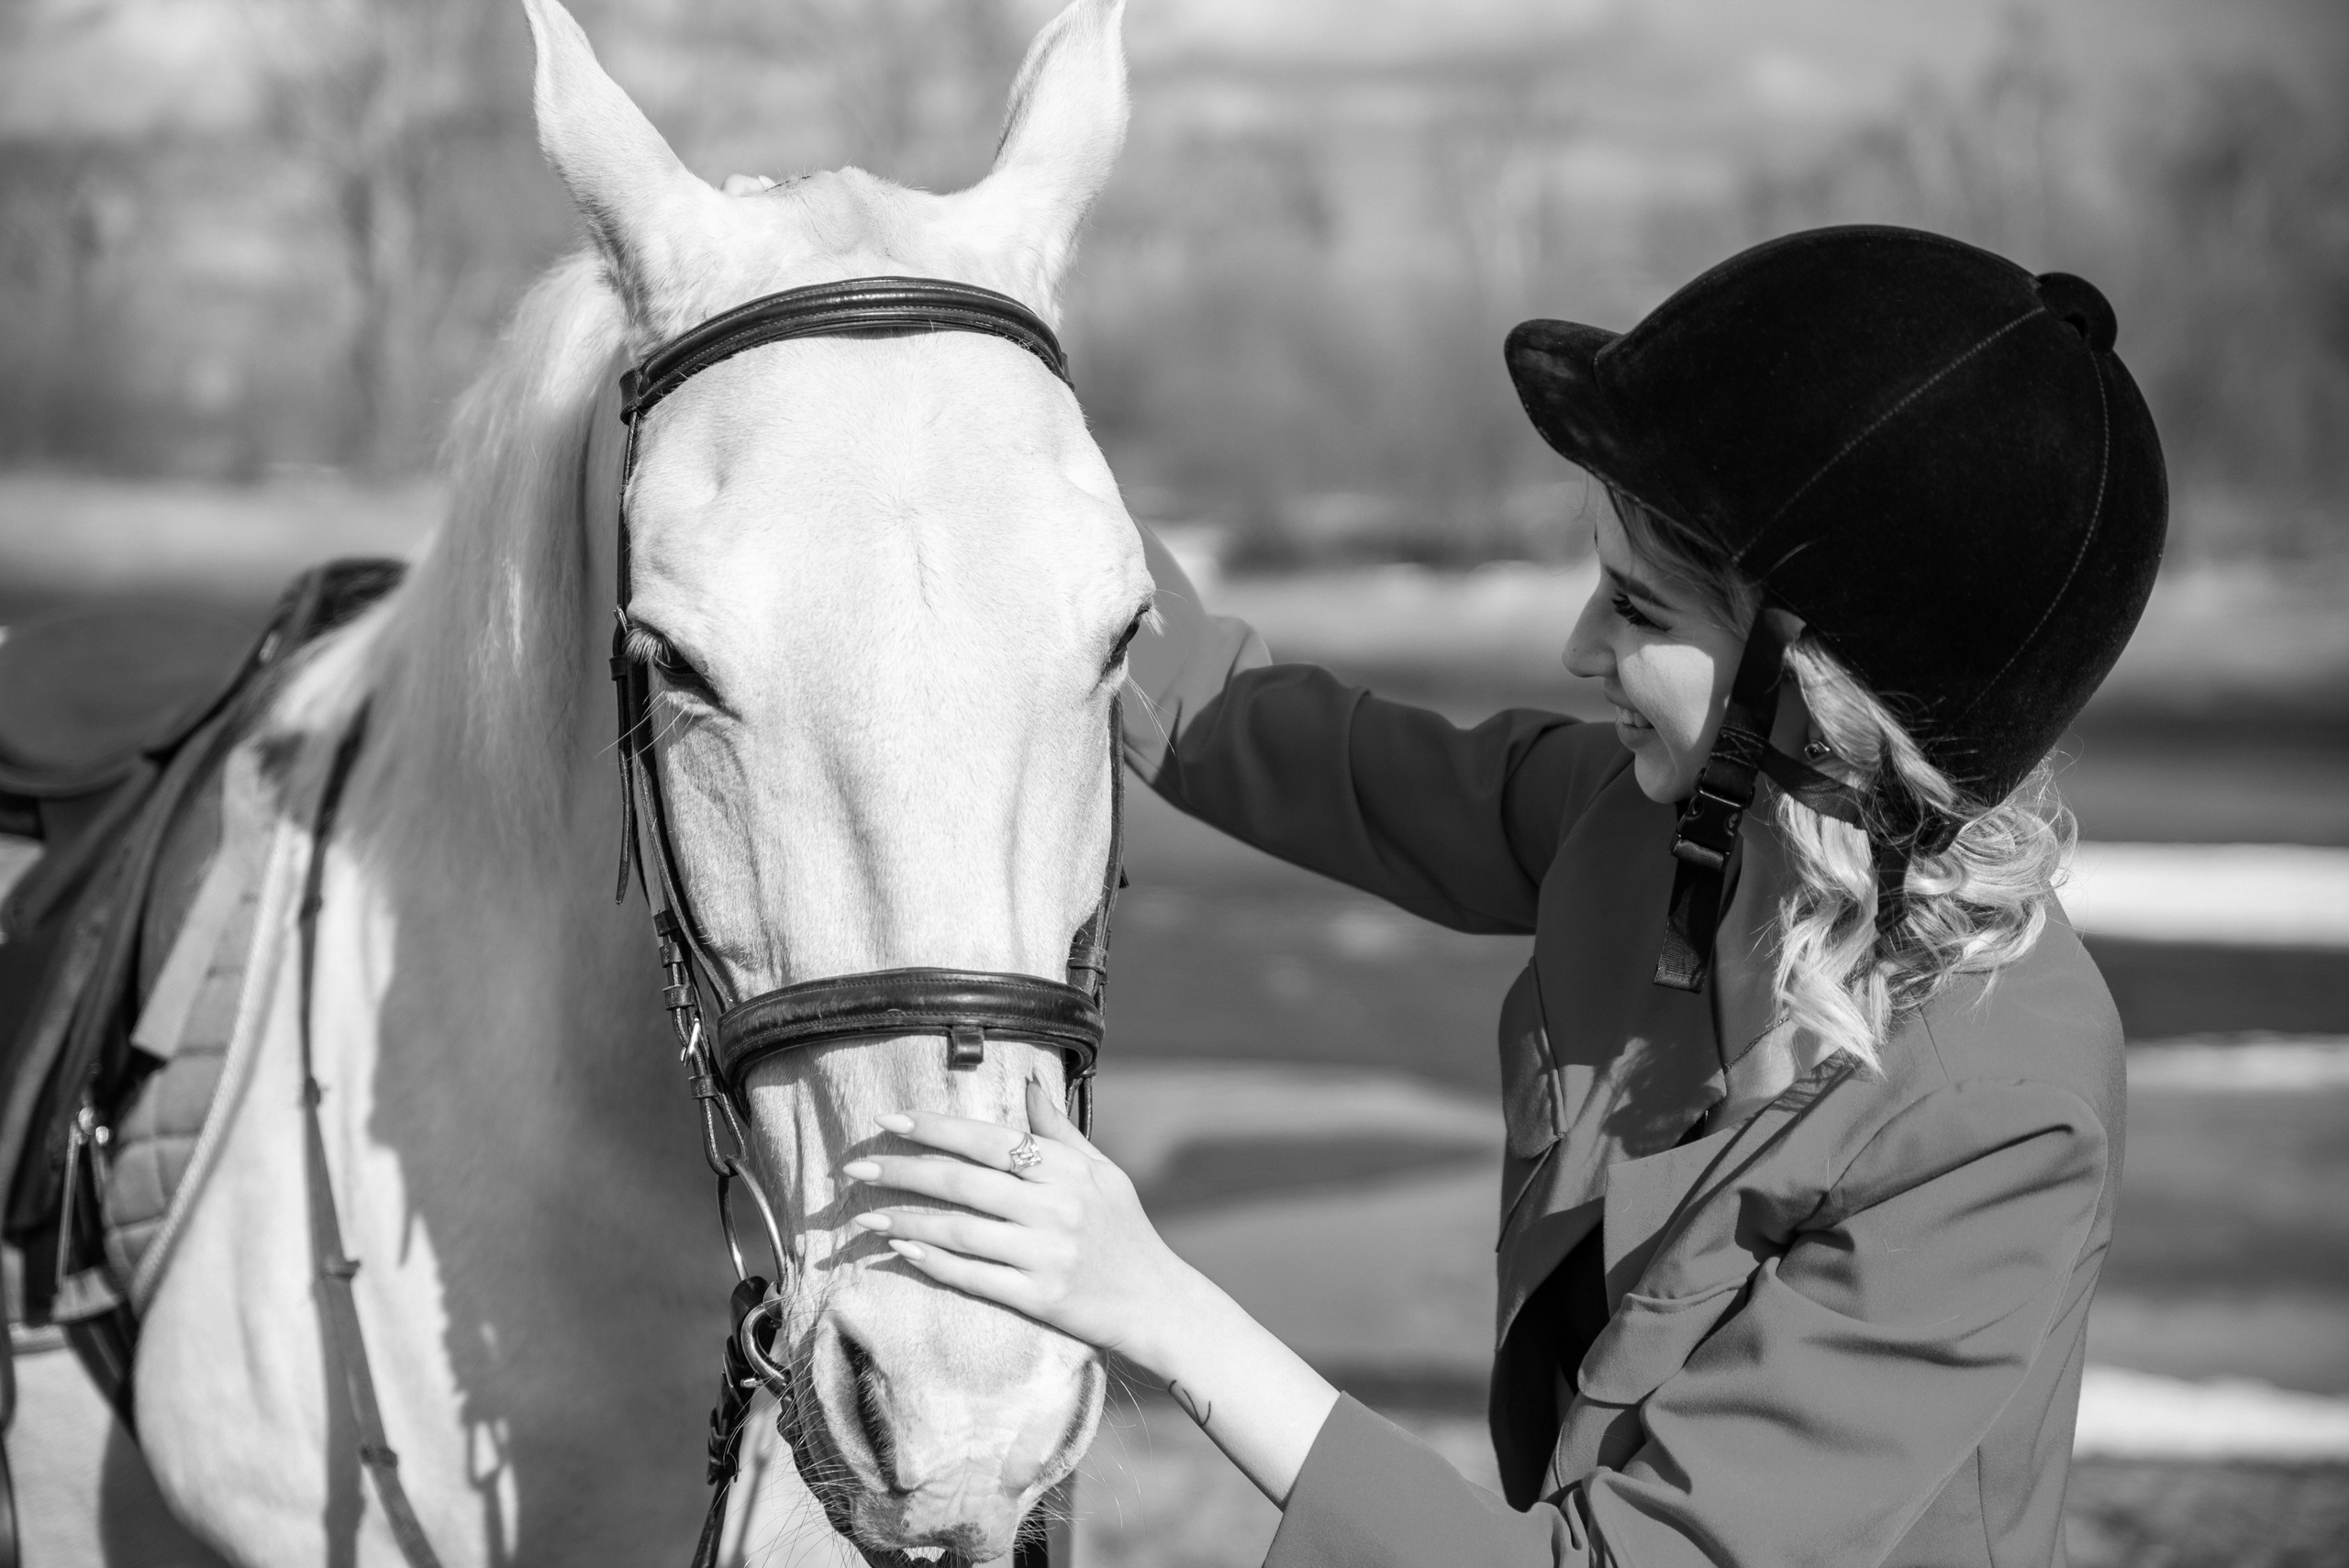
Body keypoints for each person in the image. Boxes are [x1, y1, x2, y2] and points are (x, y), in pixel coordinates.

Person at [841, 223, 2166, 1567]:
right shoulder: (1648, 827)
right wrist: (1006, 464)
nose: (1579, 646)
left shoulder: (2003, 1115)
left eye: (1642, 612)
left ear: (1818, 703)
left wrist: (1157, 1307)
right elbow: (1293, 748)